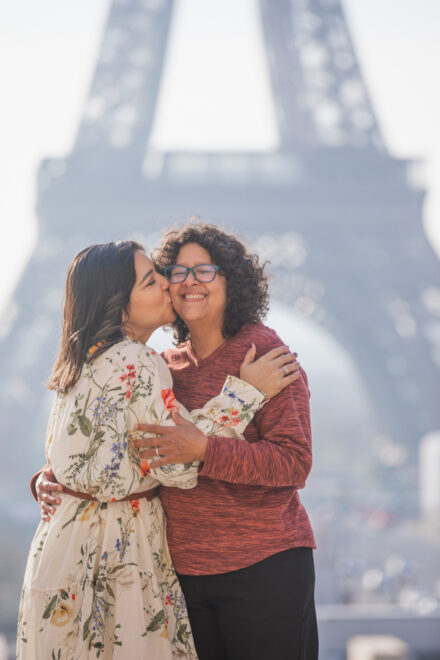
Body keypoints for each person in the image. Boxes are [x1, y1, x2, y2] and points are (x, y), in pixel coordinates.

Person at [19, 240, 299, 659]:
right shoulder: (141, 361)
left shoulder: (78, 360)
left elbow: (84, 451)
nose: (170, 287)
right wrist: (246, 394)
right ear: (120, 305)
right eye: (153, 280)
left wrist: (47, 478)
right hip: (117, 553)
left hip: (60, 550)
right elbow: (174, 463)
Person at [131, 222, 319, 660]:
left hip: (263, 569)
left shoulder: (265, 354)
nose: (190, 281)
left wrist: (205, 451)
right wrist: (54, 479)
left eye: (204, 271)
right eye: (177, 273)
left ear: (231, 281)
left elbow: (294, 461)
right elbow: (124, 441)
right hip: (184, 576)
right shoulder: (163, 366)